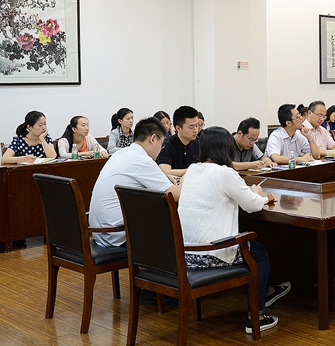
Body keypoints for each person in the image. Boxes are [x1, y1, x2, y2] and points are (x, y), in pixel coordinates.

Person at [177, 126, 291, 333]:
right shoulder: (225, 173)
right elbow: (253, 205)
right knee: (260, 253)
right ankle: (256, 316)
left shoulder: (192, 169)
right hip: (211, 254)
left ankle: (264, 294)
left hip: (185, 254)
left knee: (252, 247)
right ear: (227, 148)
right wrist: (257, 192)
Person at [89, 117, 182, 247]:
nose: (161, 149)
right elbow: (175, 195)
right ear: (153, 139)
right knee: (171, 220)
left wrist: (164, 177)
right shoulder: (142, 160)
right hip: (119, 234)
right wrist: (187, 177)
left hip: (100, 232)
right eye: (161, 144)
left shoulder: (122, 154)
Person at [156, 105, 200, 177]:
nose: (196, 130)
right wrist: (192, 170)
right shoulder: (166, 145)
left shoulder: (198, 143)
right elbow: (165, 172)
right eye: (191, 127)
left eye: (197, 125)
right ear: (178, 128)